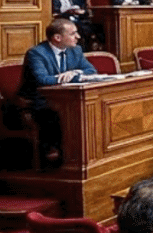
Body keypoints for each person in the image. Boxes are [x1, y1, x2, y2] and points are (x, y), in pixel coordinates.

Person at [17, 19, 98, 166]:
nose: (78, 37)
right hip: (38, 101)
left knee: (91, 111)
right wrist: (65, 78)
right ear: (57, 38)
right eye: (73, 33)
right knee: (62, 114)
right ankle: (58, 156)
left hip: (67, 98)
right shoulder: (36, 53)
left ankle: (86, 155)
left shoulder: (76, 50)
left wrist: (74, 72)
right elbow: (43, 80)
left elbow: (91, 71)